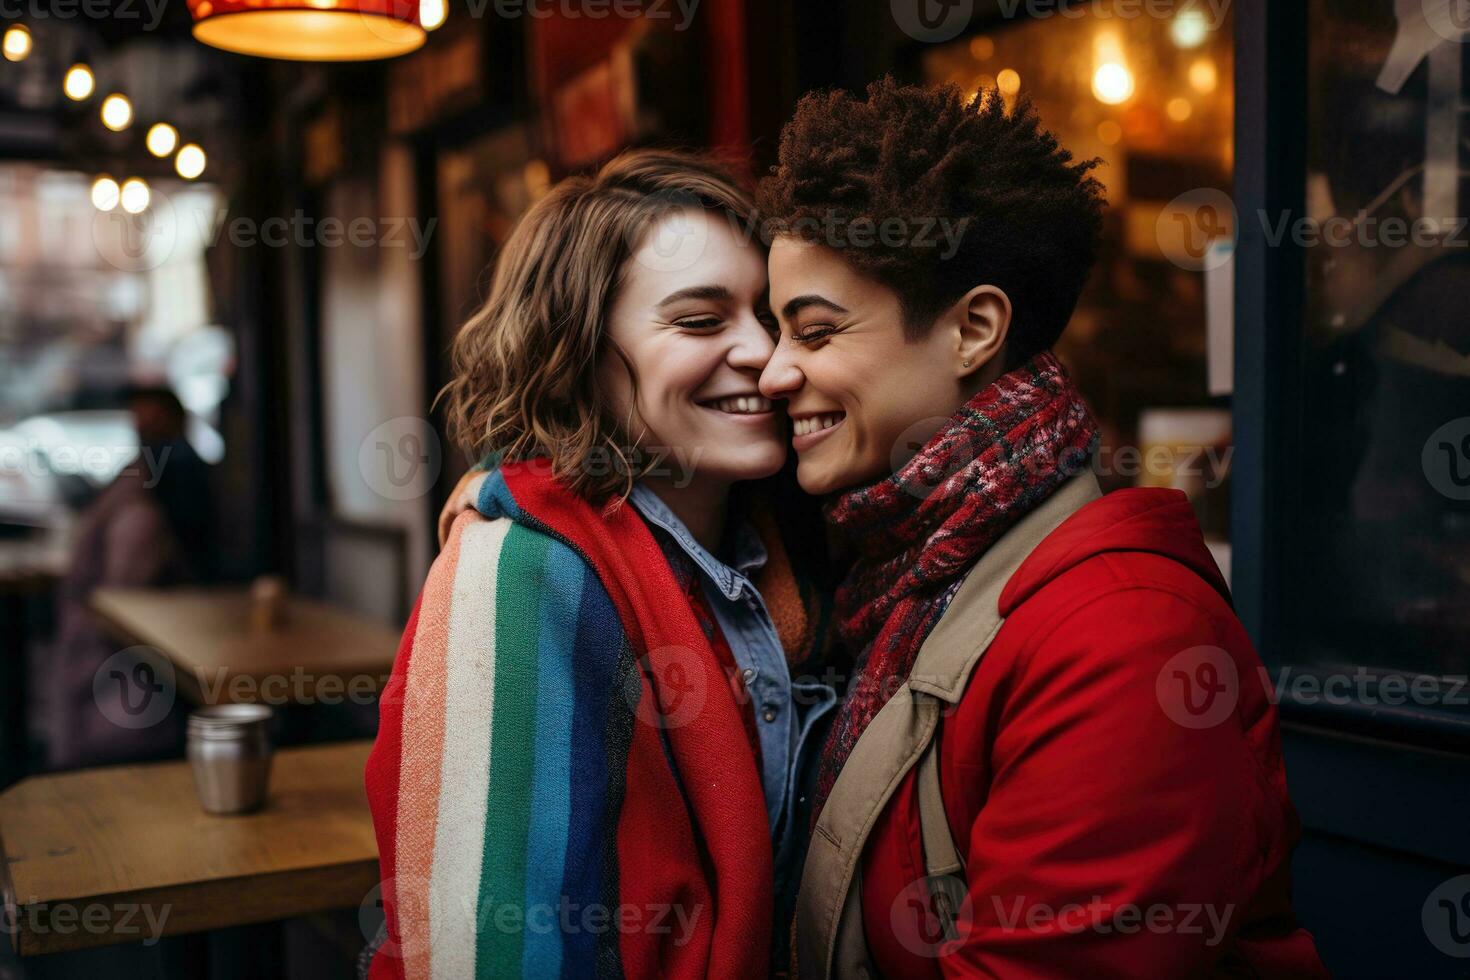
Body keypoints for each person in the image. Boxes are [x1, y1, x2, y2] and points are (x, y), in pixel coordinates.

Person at [751, 78, 1328, 978]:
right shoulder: (893, 571)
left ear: (974, 329)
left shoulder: (1123, 636)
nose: (773, 373)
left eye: (815, 333)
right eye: (773, 331)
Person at [364, 150, 836, 980]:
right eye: (700, 321)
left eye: (775, 315)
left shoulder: (793, 545)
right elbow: (496, 952)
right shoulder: (516, 574)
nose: (764, 353)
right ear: (576, 353)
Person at [47, 385, 213, 769]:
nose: (147, 434)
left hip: (115, 657)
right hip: (115, 669)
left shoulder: (156, 481)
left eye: (156, 424)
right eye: (141, 425)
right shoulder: (143, 501)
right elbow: (126, 593)